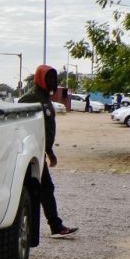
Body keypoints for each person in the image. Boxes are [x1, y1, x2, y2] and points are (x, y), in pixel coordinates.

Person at [19, 65, 79, 238]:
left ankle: (53, 226)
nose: (53, 82)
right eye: (49, 78)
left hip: (40, 153)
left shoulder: (45, 98)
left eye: (54, 78)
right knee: (42, 189)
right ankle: (51, 227)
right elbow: (24, 127)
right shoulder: (30, 99)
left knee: (43, 189)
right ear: (40, 79)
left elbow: (47, 129)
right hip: (30, 155)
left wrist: (50, 152)